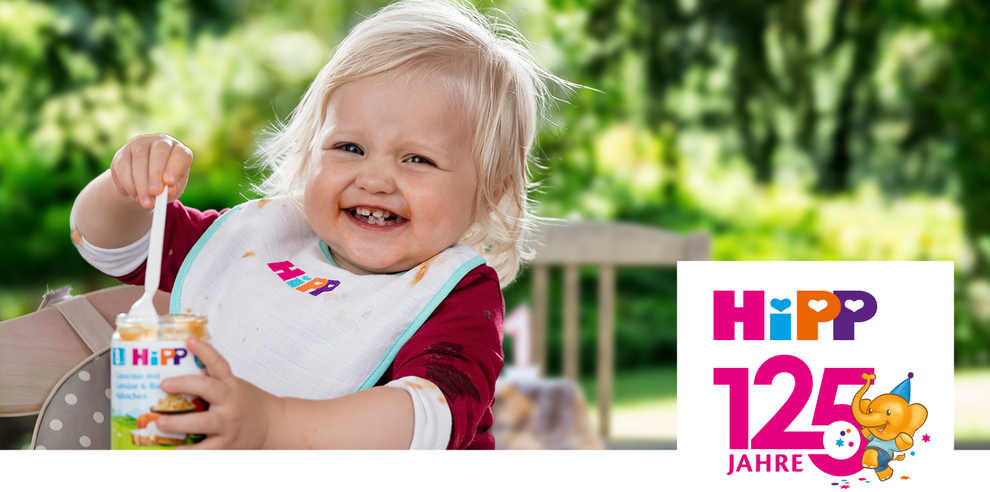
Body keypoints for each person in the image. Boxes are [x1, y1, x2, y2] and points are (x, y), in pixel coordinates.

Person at [70, 0, 575, 449]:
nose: (375, 179)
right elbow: (112, 246)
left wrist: (274, 424)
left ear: (492, 189)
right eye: (349, 148)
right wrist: (127, 185)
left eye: (417, 159)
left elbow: (430, 418)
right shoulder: (264, 245)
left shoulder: (453, 294)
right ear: (310, 150)